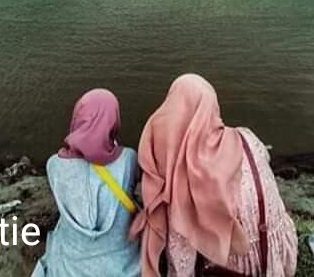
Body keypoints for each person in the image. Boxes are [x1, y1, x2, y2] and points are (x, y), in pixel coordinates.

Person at [130, 74, 298, 277]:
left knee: (184, 222)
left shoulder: (185, 173)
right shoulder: (246, 136)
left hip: (230, 268)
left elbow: (182, 250)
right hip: (274, 255)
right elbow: (265, 158)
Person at [33, 89, 141, 277]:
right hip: (121, 264)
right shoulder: (129, 159)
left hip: (70, 267)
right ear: (114, 121)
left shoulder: (54, 165)